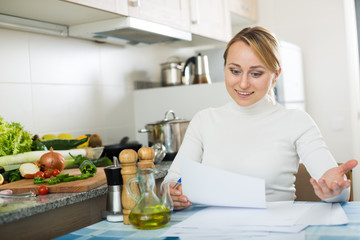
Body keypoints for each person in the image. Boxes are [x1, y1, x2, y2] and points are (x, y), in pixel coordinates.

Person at [162, 26, 358, 210]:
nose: (243, 83)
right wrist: (171, 192)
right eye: (235, 71)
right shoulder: (204, 120)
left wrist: (335, 191)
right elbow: (173, 180)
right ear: (225, 69)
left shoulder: (297, 122)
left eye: (256, 73)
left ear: (275, 75)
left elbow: (336, 188)